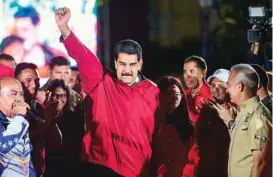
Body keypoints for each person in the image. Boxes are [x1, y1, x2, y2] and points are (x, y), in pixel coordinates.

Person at [55, 7, 160, 177]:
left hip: (139, 170)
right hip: (101, 165)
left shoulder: (154, 93)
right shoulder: (102, 82)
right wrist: (64, 28)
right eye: (122, 64)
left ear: (140, 64)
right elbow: (84, 56)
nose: (127, 70)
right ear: (115, 63)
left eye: (132, 64)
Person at [213, 64, 272, 177]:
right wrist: (230, 122)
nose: (227, 88)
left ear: (239, 86)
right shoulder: (243, 111)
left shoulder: (258, 116)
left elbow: (260, 163)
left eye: (229, 84)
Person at [151, 76, 192, 177]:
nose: (172, 98)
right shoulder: (152, 123)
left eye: (176, 94)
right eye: (168, 94)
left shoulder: (189, 127)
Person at [44, 79, 85, 177]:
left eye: (63, 96)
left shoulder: (73, 116)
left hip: (70, 164)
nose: (59, 100)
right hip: (50, 165)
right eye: (56, 95)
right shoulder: (43, 114)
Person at [15, 63, 47, 177]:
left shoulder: (40, 107)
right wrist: (47, 123)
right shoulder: (11, 109)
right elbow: (22, 140)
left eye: (37, 80)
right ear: (16, 82)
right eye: (28, 80)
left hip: (39, 170)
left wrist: (48, 112)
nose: (34, 85)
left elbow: (57, 141)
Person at [182, 55, 211, 177]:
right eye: (185, 71)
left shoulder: (212, 97)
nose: (187, 75)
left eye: (192, 71)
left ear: (203, 72)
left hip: (204, 163)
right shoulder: (182, 97)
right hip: (184, 163)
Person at [0, 78, 36, 177]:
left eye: (21, 94)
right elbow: (2, 146)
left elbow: (24, 159)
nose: (19, 99)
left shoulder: (20, 120)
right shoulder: (19, 120)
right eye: (13, 94)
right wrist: (20, 117)